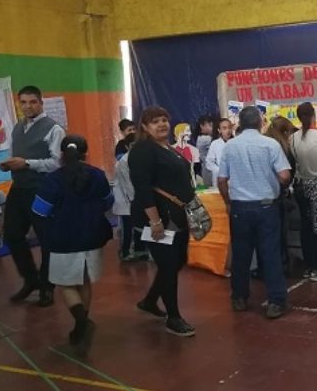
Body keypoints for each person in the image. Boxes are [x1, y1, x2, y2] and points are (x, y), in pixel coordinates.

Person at [31, 135, 113, 348]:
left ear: (61, 154)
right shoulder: (98, 175)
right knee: (84, 281)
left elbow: (39, 210)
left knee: (66, 284)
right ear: (86, 153)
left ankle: (82, 322)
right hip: (93, 237)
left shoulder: (53, 179)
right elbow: (107, 202)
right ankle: (82, 324)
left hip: (63, 239)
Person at [218, 106, 292, 319]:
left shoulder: (230, 146)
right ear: (260, 122)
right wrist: (273, 180)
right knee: (270, 254)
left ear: (239, 123)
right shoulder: (270, 144)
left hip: (240, 207)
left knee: (241, 255)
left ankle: (239, 298)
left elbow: (222, 180)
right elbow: (285, 176)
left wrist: (228, 202)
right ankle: (276, 302)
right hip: (267, 206)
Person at [129, 106, 196, 337]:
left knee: (177, 262)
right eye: (155, 121)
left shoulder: (168, 148)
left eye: (164, 120)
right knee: (168, 265)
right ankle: (174, 317)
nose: (162, 125)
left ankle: (149, 300)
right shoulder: (142, 151)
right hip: (158, 219)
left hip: (177, 216)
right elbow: (143, 188)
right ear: (145, 127)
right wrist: (155, 221)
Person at [0, 85, 65, 307]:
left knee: (47, 239)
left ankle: (47, 286)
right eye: (23, 102)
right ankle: (31, 280)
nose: (27, 106)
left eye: (32, 102)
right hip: (19, 188)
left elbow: (57, 163)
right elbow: (14, 155)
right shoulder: (17, 128)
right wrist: (9, 164)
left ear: (41, 103)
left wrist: (26, 163)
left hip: (42, 190)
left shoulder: (53, 129)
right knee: (11, 235)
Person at [290, 103, 317, 281]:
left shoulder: (293, 138)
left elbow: (296, 164)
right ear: (313, 115)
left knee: (306, 227)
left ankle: (309, 265)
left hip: (301, 187)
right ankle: (316, 267)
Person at [264, 116, 297, 274]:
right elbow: (286, 176)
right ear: (285, 132)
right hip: (278, 196)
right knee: (280, 235)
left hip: (260, 198)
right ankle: (282, 265)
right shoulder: (281, 148)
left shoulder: (263, 144)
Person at [113, 134, 148, 262]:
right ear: (127, 146)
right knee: (128, 227)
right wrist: (137, 200)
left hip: (139, 199)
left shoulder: (143, 159)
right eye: (132, 145)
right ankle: (125, 252)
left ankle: (141, 250)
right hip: (127, 200)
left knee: (141, 226)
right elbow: (127, 184)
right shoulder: (123, 162)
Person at [204, 118, 233, 188]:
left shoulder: (236, 143)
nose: (228, 130)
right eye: (224, 128)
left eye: (229, 128)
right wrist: (217, 170)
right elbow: (209, 162)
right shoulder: (215, 144)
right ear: (219, 130)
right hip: (220, 177)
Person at [195, 114, 214, 186]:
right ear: (201, 126)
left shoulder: (206, 138)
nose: (212, 128)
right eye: (209, 125)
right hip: (208, 170)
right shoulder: (203, 139)